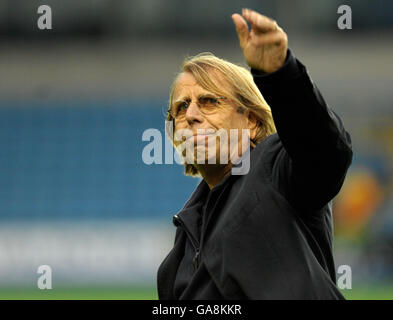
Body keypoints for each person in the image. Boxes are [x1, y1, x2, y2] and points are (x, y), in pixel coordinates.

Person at [157, 8, 353, 299]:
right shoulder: (179, 250)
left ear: (250, 121)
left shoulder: (278, 168)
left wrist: (282, 75)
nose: (191, 115)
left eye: (209, 101)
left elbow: (324, 151)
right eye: (180, 108)